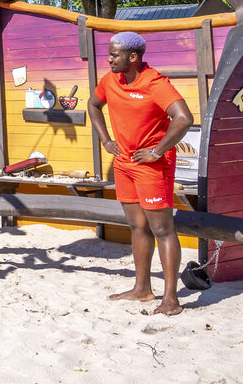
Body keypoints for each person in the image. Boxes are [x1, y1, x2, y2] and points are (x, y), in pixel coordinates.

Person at [87, 30, 193, 315]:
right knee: (138, 227)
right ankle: (142, 289)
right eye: (109, 54)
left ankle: (171, 299)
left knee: (162, 229)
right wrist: (106, 140)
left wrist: (157, 151)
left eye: (114, 54)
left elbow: (184, 119)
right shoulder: (111, 80)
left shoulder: (155, 82)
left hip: (152, 167)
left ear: (133, 57)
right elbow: (93, 105)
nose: (109, 59)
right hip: (124, 164)